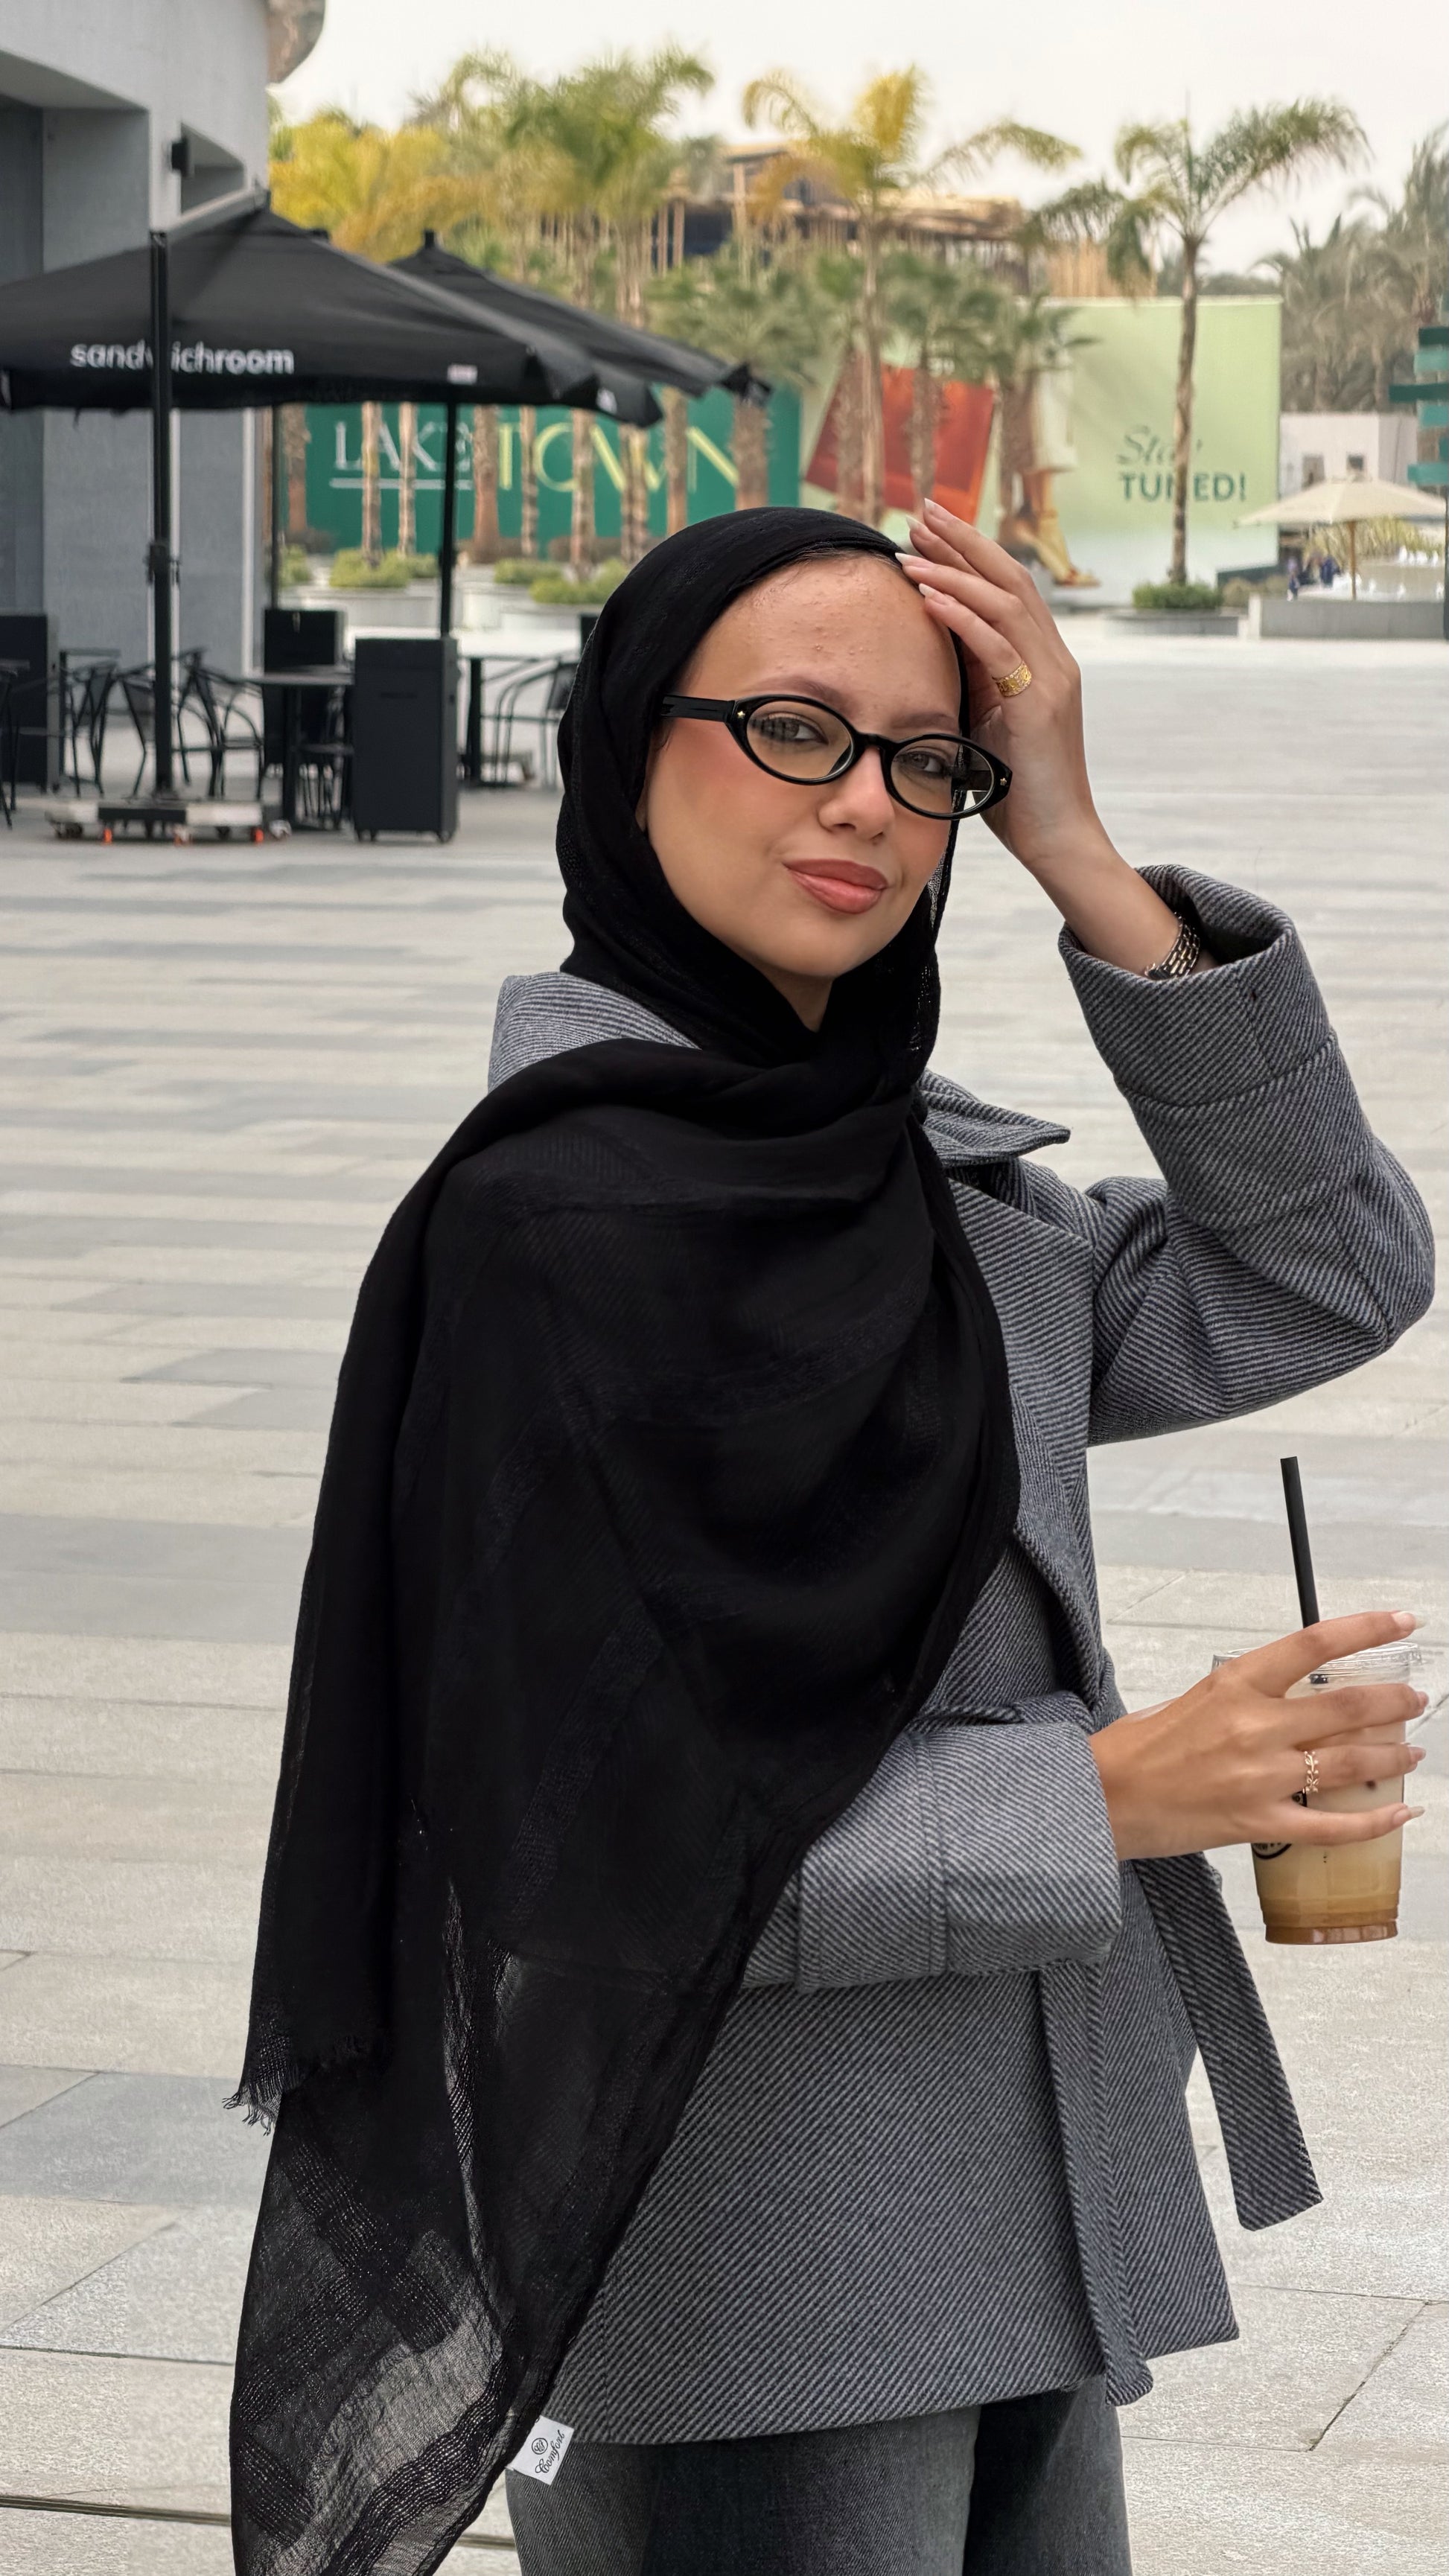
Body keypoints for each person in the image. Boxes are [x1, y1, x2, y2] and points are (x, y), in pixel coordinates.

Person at [229, 503, 1433, 2576]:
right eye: (792, 729)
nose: (865, 804)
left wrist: (1080, 850)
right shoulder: (551, 1235)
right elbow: (566, 1852)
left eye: (928, 758)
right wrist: (1102, 1798)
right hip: (746, 2260)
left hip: (1019, 2203)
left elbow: (1333, 1269)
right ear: (632, 742)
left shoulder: (937, 1200)